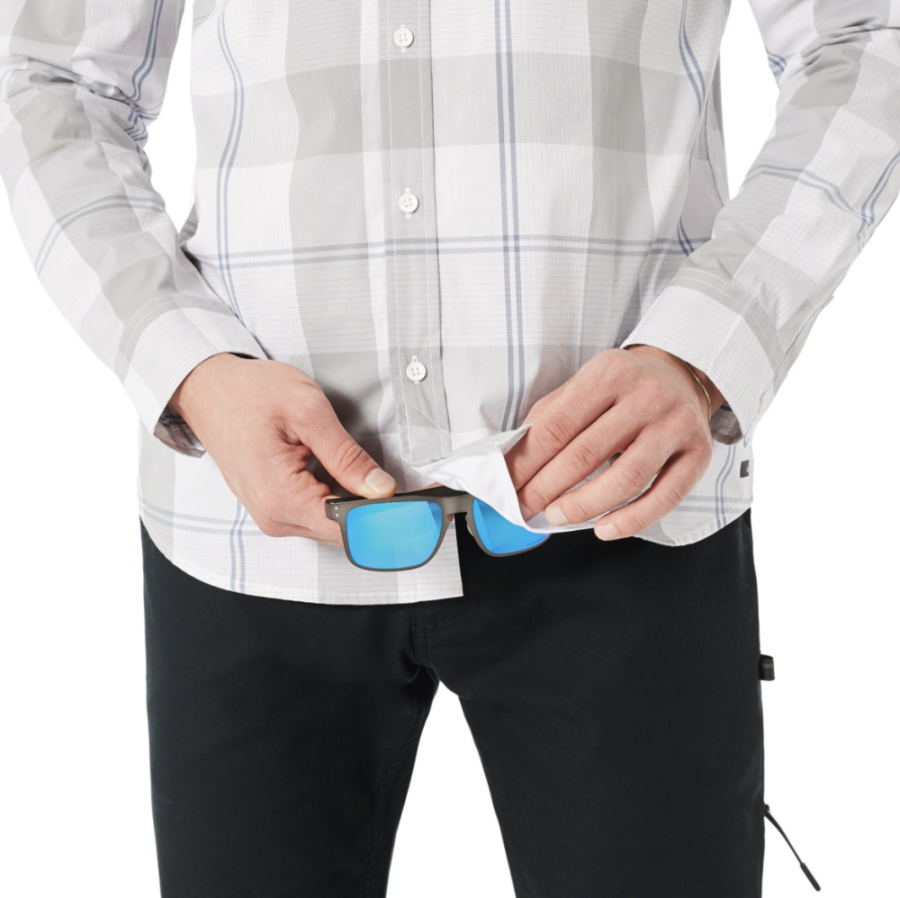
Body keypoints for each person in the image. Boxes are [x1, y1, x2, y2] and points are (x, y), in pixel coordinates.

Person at [1, 2, 896, 895]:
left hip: (622, 511)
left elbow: (864, 33)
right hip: (253, 528)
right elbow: (55, 75)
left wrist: (705, 348)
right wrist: (190, 369)